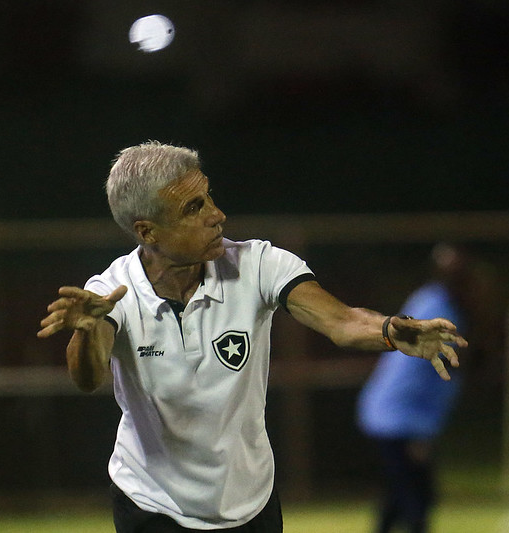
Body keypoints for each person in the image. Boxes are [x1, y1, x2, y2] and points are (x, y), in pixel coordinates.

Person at [36, 141, 467, 533]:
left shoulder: (259, 264)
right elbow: (88, 377)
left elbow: (341, 321)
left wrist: (391, 330)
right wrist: (87, 331)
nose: (216, 215)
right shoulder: (112, 291)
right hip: (151, 505)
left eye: (208, 197)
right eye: (193, 208)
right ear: (147, 232)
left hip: (249, 504)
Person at [356, 243, 473, 533]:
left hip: (392, 415)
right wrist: (419, 433)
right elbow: (416, 375)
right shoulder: (435, 308)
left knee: (398, 496)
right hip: (398, 419)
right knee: (416, 500)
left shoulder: (437, 301)